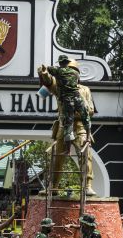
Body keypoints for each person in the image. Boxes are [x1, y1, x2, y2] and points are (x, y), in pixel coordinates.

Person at [38, 59, 97, 196]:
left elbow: (91, 110)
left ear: (76, 75)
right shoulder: (58, 87)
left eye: (71, 73)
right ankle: (53, 186)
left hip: (80, 126)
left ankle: (87, 185)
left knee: (85, 154)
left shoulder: (85, 90)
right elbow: (48, 82)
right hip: (63, 126)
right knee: (57, 155)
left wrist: (78, 110)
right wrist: (45, 73)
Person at [42, 55, 91, 143]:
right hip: (76, 99)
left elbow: (91, 110)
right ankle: (87, 137)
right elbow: (47, 83)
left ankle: (71, 148)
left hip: (78, 124)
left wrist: (44, 69)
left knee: (69, 124)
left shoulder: (58, 71)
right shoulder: (72, 75)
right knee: (84, 117)